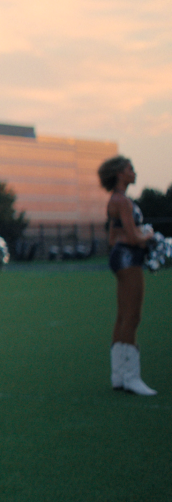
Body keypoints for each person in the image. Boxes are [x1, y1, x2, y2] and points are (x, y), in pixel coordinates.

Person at [98, 155, 156, 395]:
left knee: (123, 316)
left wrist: (135, 236)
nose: (134, 172)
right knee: (133, 316)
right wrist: (150, 236)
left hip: (118, 257)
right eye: (130, 169)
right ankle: (131, 377)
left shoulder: (115, 200)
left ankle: (118, 376)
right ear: (120, 174)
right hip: (129, 258)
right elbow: (133, 238)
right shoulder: (123, 202)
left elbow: (113, 238)